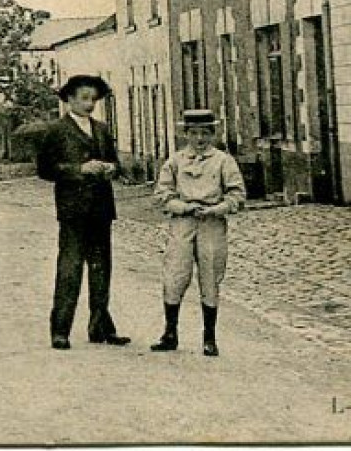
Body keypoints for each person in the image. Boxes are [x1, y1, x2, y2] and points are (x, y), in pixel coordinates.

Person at [35, 74, 128, 349]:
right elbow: (44, 169)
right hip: (73, 211)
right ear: (70, 99)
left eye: (93, 99)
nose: (90, 104)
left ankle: (100, 326)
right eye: (84, 99)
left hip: (101, 209)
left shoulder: (101, 128)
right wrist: (78, 170)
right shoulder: (56, 130)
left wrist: (111, 168)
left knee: (101, 270)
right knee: (70, 269)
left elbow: (115, 162)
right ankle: (60, 330)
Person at [150, 109, 246, 357]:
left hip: (211, 224)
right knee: (175, 274)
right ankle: (170, 333)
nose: (200, 139)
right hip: (182, 223)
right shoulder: (175, 162)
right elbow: (162, 195)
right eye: (194, 133)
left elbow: (237, 195)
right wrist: (182, 207)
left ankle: (209, 338)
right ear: (186, 134)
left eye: (205, 133)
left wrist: (217, 209)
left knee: (210, 274)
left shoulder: (224, 161)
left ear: (213, 134)